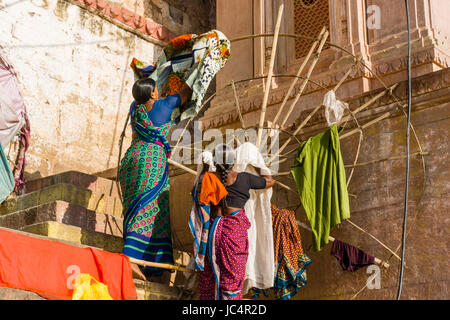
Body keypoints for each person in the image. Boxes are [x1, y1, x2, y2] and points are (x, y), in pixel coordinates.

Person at [119, 77, 192, 281]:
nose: (158, 92)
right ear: (152, 93)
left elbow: (134, 136)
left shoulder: (135, 108)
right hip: (150, 159)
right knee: (150, 208)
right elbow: (186, 93)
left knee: (135, 207)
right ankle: (131, 258)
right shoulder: (164, 105)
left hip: (132, 158)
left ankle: (150, 263)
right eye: (156, 89)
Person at [195, 144, 276, 300]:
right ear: (234, 161)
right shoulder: (244, 178)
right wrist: (258, 164)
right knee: (232, 276)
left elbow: (197, 195)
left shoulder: (209, 178)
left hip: (213, 230)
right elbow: (270, 181)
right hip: (234, 231)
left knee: (211, 275)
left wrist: (206, 167)